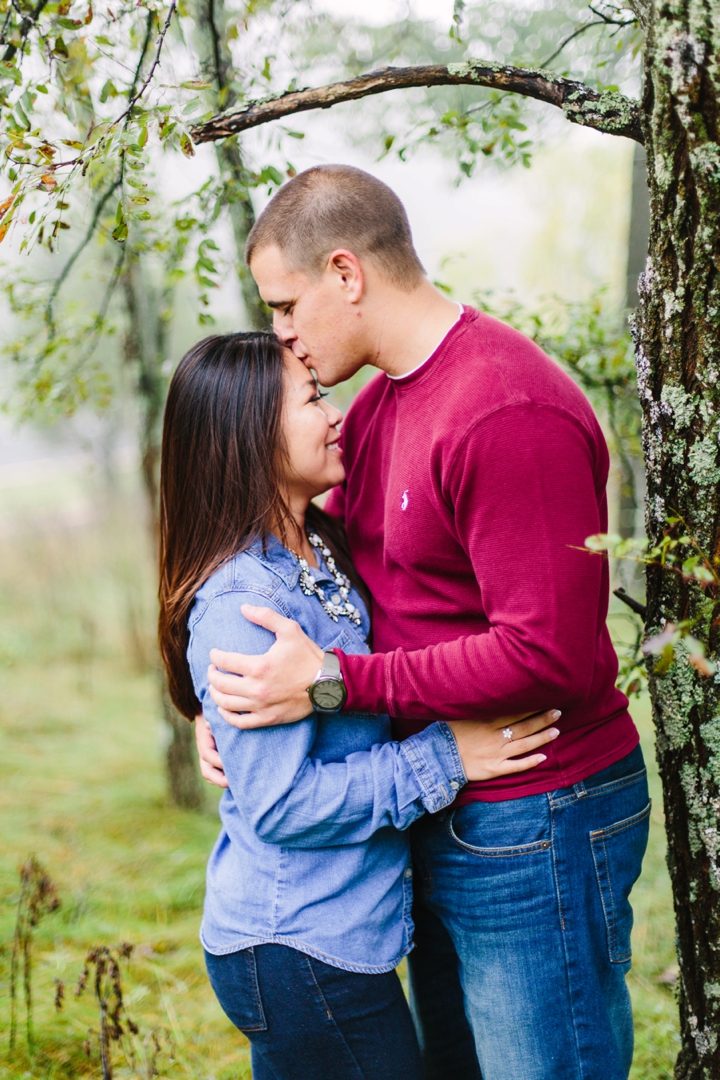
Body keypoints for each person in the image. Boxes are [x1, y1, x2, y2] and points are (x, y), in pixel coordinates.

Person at [197, 165, 651, 1080]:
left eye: (286, 304)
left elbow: (547, 654)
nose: (280, 333)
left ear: (345, 273)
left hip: (538, 809)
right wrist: (235, 708)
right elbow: (307, 586)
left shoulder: (505, 410)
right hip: (437, 805)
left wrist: (328, 683)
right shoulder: (372, 417)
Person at [158, 330, 560, 1080]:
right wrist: (446, 756)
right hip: (297, 948)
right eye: (313, 399)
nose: (333, 413)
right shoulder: (245, 602)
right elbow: (281, 806)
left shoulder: (317, 545)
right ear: (250, 435)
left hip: (339, 935)